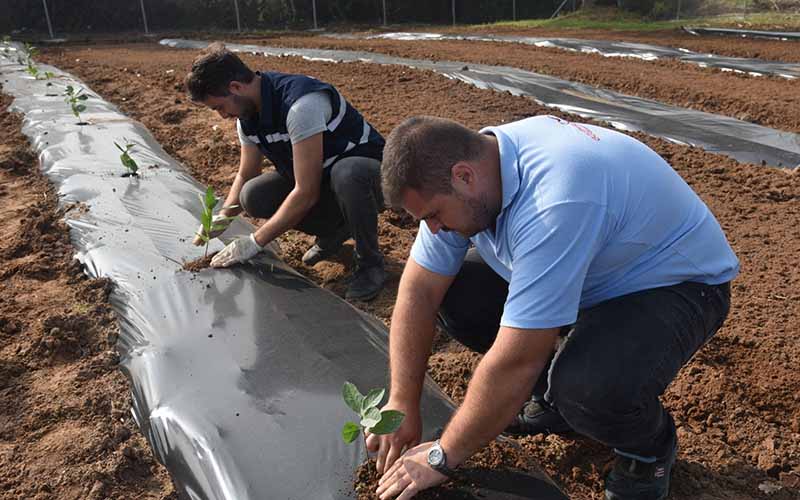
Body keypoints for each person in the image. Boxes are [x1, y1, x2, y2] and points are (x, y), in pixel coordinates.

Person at [369, 115, 739, 500]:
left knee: (587, 388)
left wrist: (440, 456)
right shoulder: (476, 175)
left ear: (464, 176)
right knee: (457, 296)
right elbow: (419, 293)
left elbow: (517, 359)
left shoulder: (555, 200)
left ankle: (648, 449)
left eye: (433, 215)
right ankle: (554, 401)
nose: (432, 229)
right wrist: (402, 401)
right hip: (596, 270)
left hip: (675, 284)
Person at [185, 43, 386, 301]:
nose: (222, 115)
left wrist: (254, 242)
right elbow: (246, 173)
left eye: (219, 107)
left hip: (372, 179)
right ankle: (335, 230)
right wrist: (223, 219)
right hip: (324, 180)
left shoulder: (300, 106)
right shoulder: (246, 118)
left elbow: (306, 191)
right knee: (253, 195)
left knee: (348, 173)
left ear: (236, 87)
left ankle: (371, 264)